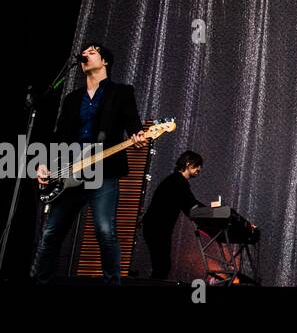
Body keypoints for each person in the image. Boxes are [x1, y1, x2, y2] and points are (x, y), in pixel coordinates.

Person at [32, 43, 147, 284]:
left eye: (92, 51)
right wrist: (43, 163)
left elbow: (133, 122)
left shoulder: (121, 92)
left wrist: (138, 135)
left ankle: (111, 283)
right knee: (51, 233)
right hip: (70, 173)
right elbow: (59, 135)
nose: (86, 54)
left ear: (105, 61)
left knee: (105, 231)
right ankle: (40, 282)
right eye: (84, 52)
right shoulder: (73, 98)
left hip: (103, 171)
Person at [142, 150, 222, 280]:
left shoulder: (176, 180)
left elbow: (189, 207)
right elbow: (191, 207)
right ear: (188, 163)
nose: (199, 169)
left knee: (162, 266)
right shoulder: (178, 181)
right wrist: (215, 211)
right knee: (162, 266)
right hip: (156, 228)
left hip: (155, 228)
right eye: (197, 165)